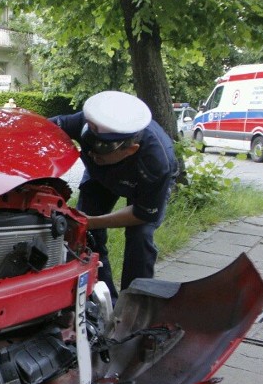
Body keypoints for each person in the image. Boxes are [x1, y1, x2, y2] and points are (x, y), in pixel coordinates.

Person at [49, 91, 178, 302]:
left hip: (141, 185)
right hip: (101, 178)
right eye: (89, 146)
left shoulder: (156, 162)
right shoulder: (89, 123)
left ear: (130, 149)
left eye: (100, 152)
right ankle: (102, 298)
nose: (91, 154)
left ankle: (134, 304)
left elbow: (141, 214)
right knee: (86, 236)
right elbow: (44, 129)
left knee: (140, 238)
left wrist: (93, 222)